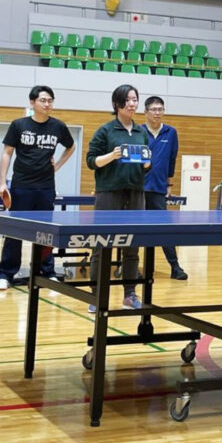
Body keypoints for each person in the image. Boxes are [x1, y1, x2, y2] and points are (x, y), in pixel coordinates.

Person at [0, 85, 75, 290]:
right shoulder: (19, 125)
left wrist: (57, 166)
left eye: (50, 100)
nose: (47, 104)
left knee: (46, 233)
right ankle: (6, 274)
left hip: (46, 187)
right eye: (43, 100)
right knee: (15, 231)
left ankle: (46, 272)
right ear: (32, 102)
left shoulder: (58, 126)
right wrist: (2, 182)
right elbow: (7, 152)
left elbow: (71, 146)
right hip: (21, 186)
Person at [86, 84, 150, 310]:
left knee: (132, 246)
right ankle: (96, 295)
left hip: (135, 193)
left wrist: (147, 163)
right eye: (128, 100)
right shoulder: (106, 130)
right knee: (101, 245)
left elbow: (145, 165)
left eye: (135, 99)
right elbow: (91, 161)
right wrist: (111, 156)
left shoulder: (141, 132)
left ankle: (130, 294)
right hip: (109, 193)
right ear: (117, 104)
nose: (132, 104)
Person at [142, 95, 187, 280]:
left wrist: (169, 184)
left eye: (160, 109)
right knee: (133, 229)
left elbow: (172, 160)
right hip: (138, 189)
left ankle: (175, 267)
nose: (157, 113)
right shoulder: (138, 131)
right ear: (146, 112)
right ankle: (128, 267)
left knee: (164, 229)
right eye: (153, 109)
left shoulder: (171, 132)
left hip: (159, 189)